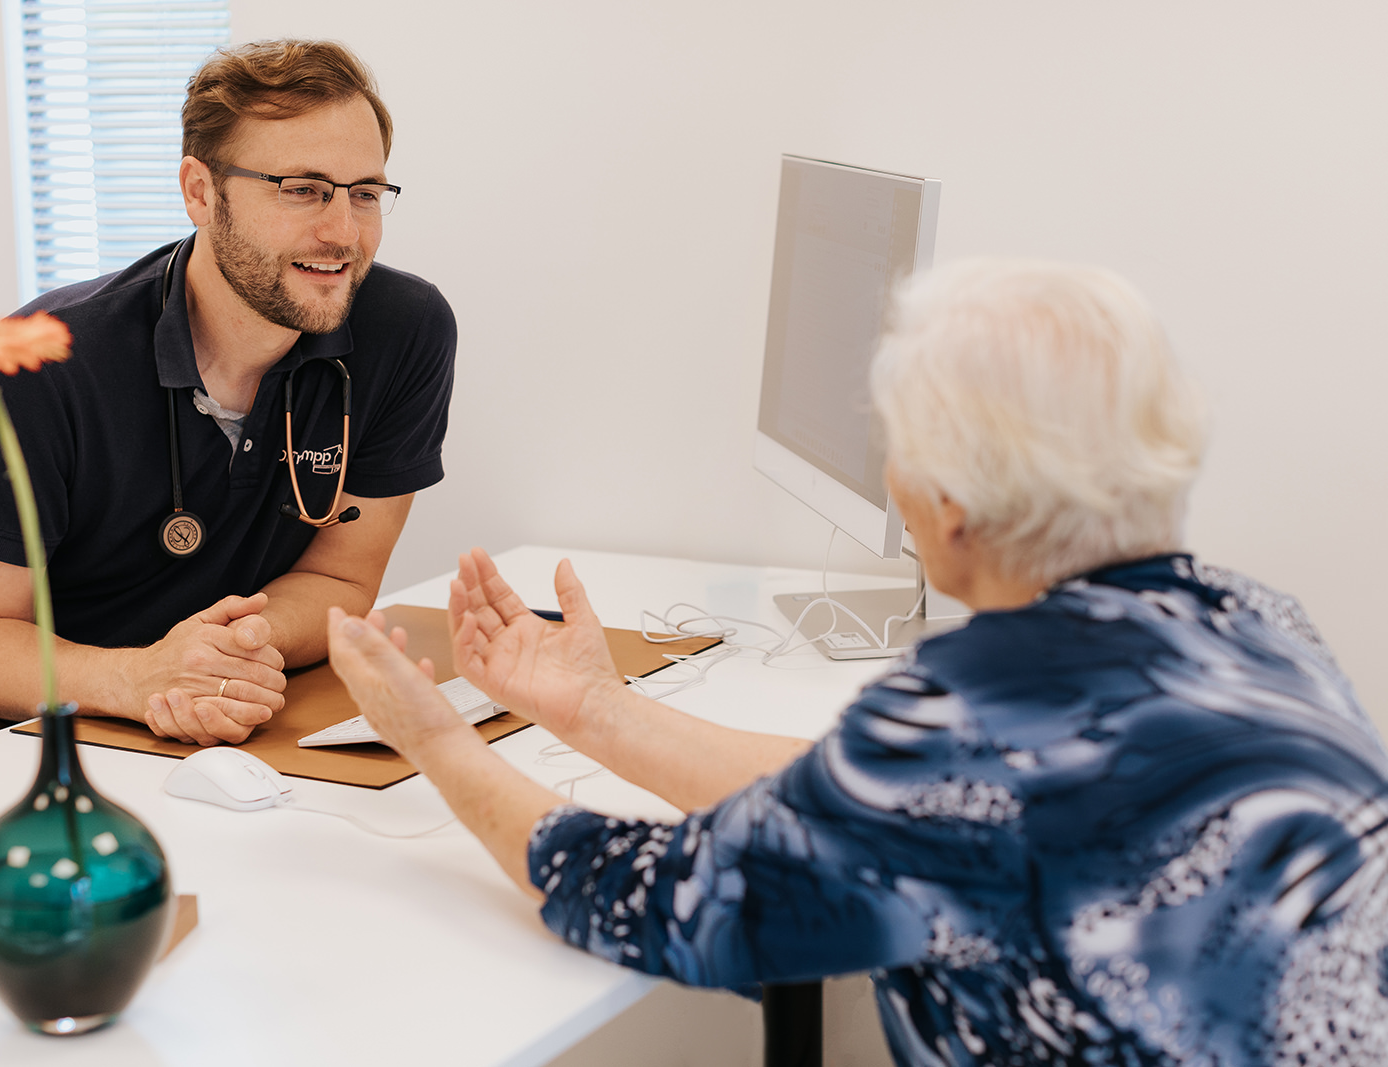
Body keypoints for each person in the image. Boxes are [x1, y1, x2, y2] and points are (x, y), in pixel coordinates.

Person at [326, 260, 1388, 1066]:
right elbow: (876, 814)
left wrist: (432, 736)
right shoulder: (1259, 625)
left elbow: (637, 896)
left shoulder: (964, 723)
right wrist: (592, 707)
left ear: (951, 507)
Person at [0, 39, 457, 779]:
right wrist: (140, 678)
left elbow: (341, 581)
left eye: (364, 192)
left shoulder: (405, 328)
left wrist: (221, 655)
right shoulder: (42, 364)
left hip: (196, 719)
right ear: (200, 191)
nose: (344, 233)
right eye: (301, 188)